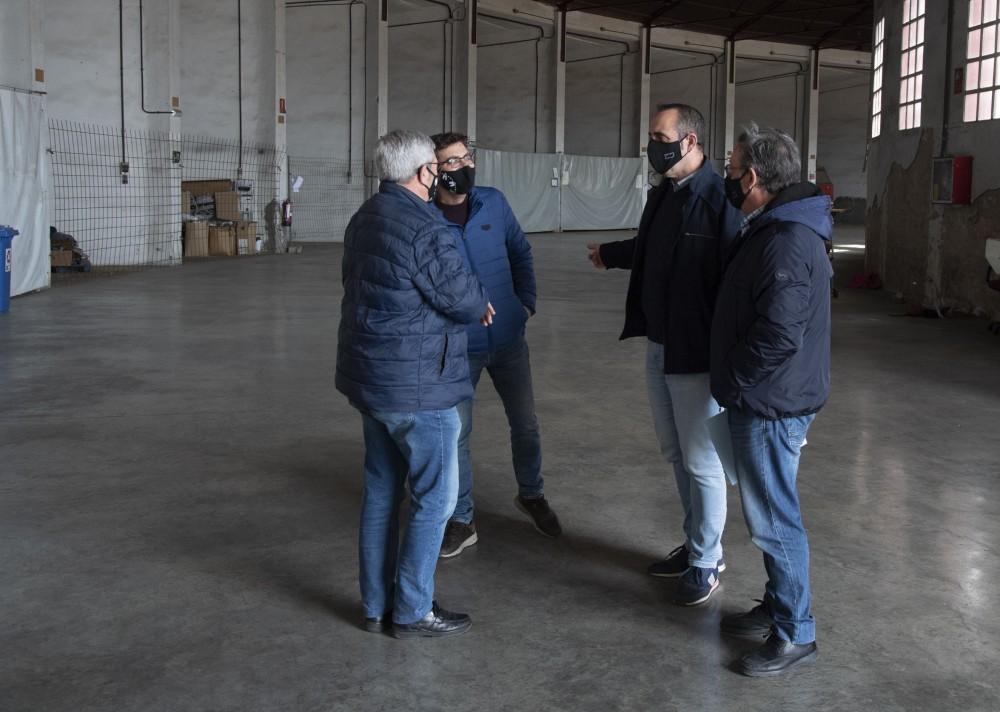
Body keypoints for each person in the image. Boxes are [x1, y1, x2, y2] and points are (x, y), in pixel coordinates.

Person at [335, 129, 494, 639]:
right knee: (436, 500)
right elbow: (462, 299)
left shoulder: (365, 217)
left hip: (373, 380)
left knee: (382, 493)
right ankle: (411, 609)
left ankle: (376, 606)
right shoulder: (426, 226)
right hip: (419, 385)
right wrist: (478, 301)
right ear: (426, 172)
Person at [587, 104, 743, 605]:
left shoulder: (720, 198)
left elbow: (736, 280)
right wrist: (611, 254)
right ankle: (695, 543)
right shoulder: (665, 194)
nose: (652, 145)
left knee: (702, 461)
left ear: (690, 141)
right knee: (676, 453)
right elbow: (651, 247)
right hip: (659, 343)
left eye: (660, 136)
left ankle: (708, 559)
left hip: (695, 352)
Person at [711, 123, 833, 676]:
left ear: (754, 177)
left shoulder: (785, 238)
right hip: (773, 396)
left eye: (733, 170)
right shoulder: (777, 226)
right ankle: (778, 605)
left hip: (770, 402)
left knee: (774, 519)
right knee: (770, 510)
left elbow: (780, 334)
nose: (729, 178)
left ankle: (794, 632)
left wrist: (736, 380)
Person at [429, 131, 561, 560]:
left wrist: (526, 304)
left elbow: (520, 253)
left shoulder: (493, 202)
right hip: (456, 347)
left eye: (466, 158)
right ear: (434, 170)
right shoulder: (425, 218)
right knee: (457, 436)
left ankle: (532, 494)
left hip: (508, 340)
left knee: (525, 423)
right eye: (451, 162)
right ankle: (462, 519)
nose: (463, 167)